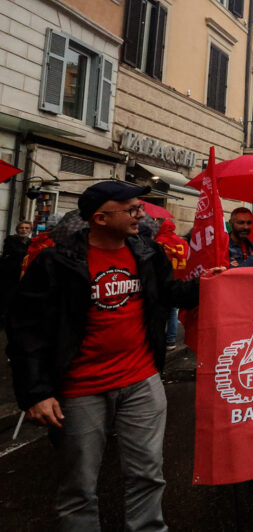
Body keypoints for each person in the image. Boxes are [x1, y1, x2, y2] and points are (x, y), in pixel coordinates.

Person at [5, 181, 221, 529]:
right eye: (132, 210)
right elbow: (25, 330)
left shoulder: (148, 254)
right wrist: (37, 393)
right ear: (101, 218)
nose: (141, 215)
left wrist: (207, 284)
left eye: (141, 209)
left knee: (148, 474)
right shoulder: (56, 261)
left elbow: (170, 293)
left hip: (142, 382)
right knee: (78, 487)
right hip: (79, 390)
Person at [154, 217, 190, 350]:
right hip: (178, 279)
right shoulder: (182, 242)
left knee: (160, 310)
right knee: (173, 311)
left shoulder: (159, 241)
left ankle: (160, 338)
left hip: (162, 280)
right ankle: (171, 340)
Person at [0, 219, 32, 325]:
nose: (24, 230)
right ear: (17, 229)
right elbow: (15, 252)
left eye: (26, 228)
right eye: (21, 228)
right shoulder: (10, 239)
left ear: (30, 230)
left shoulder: (31, 242)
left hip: (24, 275)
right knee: (7, 298)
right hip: (10, 274)